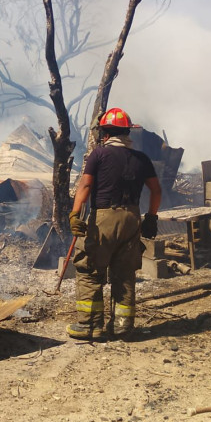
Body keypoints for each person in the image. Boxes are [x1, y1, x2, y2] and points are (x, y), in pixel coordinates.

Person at [67, 107, 162, 341]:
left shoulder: (98, 155)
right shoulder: (141, 159)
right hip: (131, 219)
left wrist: (75, 214)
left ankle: (90, 326)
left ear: (105, 133)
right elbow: (156, 190)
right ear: (128, 132)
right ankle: (122, 327)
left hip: (104, 219)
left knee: (89, 270)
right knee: (125, 273)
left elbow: (86, 187)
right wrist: (150, 217)